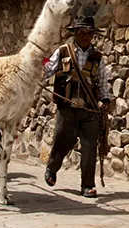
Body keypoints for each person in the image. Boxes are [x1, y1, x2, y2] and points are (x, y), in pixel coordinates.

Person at [43, 15, 112, 198]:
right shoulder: (63, 52)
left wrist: (105, 101)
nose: (85, 36)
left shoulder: (97, 57)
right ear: (75, 33)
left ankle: (87, 185)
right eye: (82, 32)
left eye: (89, 33)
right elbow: (48, 69)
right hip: (67, 106)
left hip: (90, 109)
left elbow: (103, 82)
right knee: (63, 139)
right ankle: (52, 168)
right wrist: (35, 73)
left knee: (90, 146)